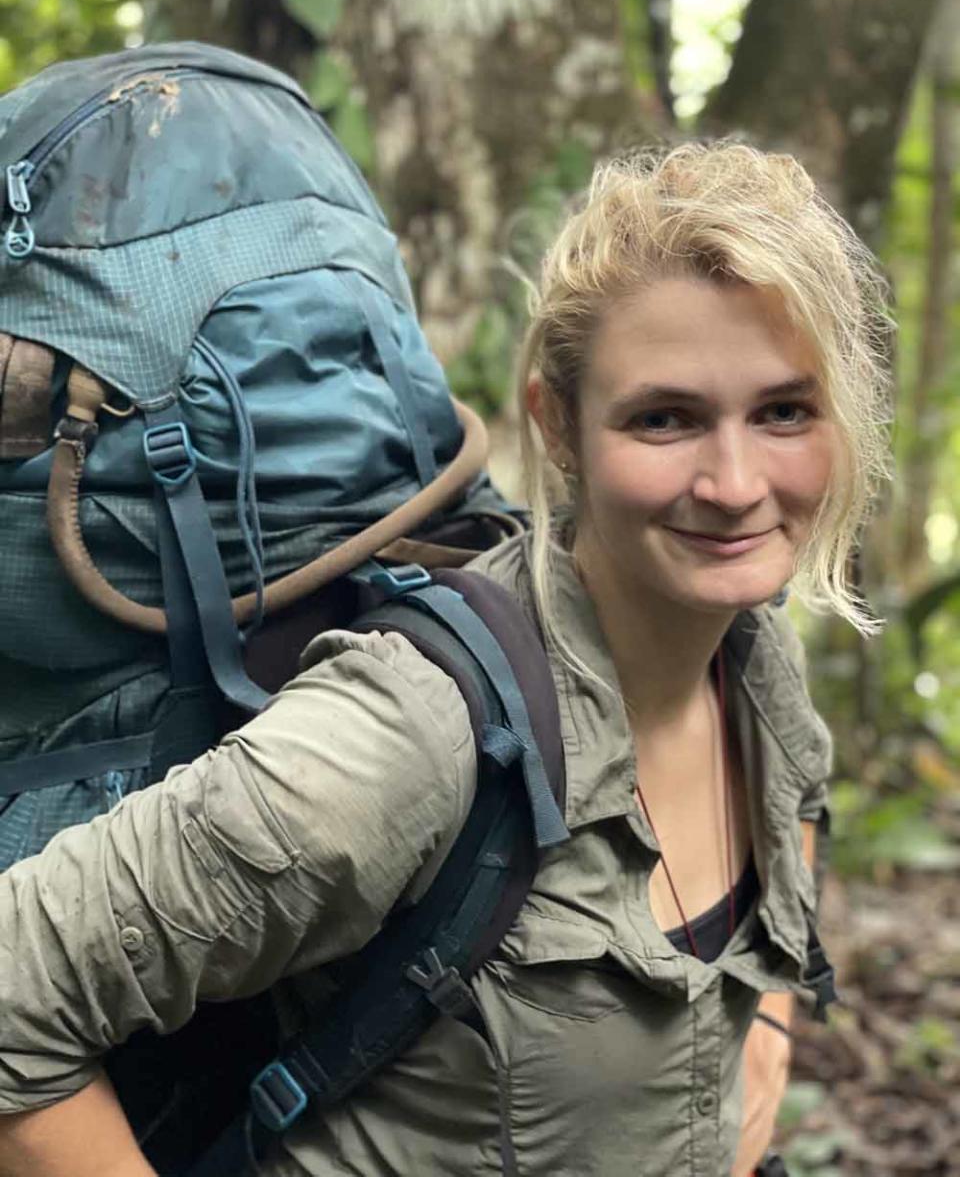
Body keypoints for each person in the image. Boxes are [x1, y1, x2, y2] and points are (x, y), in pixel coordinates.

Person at [0, 141, 891, 1177]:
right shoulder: (410, 731)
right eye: (665, 417)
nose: (735, 483)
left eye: (784, 409)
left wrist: (766, 1041)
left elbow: (794, 831)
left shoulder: (757, 661)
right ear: (556, 425)